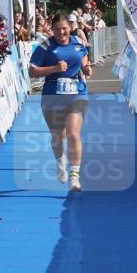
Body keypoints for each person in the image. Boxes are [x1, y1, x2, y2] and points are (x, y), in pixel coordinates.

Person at [29, 14, 92, 192]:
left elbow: (84, 59)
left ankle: (75, 177)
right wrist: (54, 69)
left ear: (69, 27)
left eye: (64, 28)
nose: (61, 32)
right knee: (58, 136)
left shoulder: (78, 42)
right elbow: (32, 72)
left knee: (73, 134)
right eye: (57, 29)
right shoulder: (45, 46)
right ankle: (60, 162)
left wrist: (87, 68)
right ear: (52, 29)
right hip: (52, 95)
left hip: (77, 93)